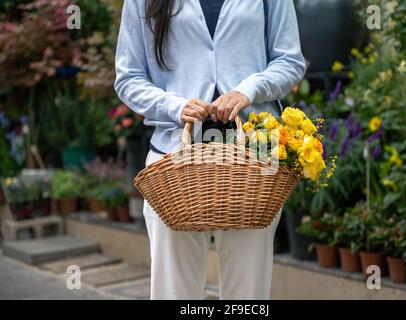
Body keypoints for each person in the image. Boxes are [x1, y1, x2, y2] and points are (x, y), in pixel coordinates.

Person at [114, 0, 305, 300]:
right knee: (174, 293)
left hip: (255, 154)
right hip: (175, 158)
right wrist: (175, 106)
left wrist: (250, 88)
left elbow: (290, 61)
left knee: (248, 295)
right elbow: (128, 77)